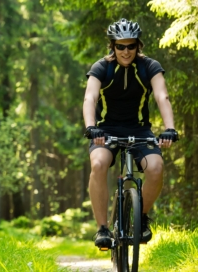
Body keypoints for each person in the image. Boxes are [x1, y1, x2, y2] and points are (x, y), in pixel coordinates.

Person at [82, 18, 179, 249]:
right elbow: (90, 97)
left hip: (139, 130)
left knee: (155, 168)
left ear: (138, 45)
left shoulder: (150, 67)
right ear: (112, 46)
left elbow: (161, 96)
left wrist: (169, 128)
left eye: (131, 46)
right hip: (105, 130)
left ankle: (141, 217)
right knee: (97, 165)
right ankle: (103, 229)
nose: (126, 51)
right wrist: (90, 126)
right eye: (120, 46)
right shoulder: (101, 68)